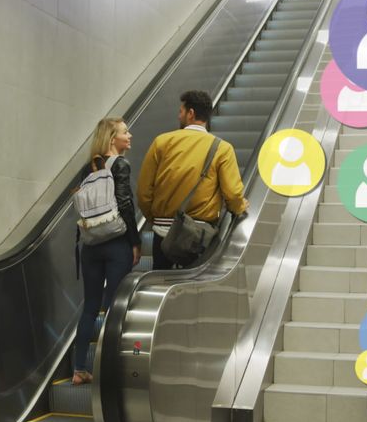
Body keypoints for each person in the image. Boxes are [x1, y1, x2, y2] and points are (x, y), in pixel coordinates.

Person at [138, 90, 248, 269]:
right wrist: (240, 207)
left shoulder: (162, 142)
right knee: (194, 281)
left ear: (191, 113)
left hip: (163, 233)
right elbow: (233, 193)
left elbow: (144, 192)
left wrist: (156, 218)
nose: (178, 115)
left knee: (160, 279)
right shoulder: (222, 148)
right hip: (198, 236)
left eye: (181, 111)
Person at [73, 118, 140, 385]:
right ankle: (108, 370)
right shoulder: (120, 164)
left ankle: (79, 369)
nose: (129, 135)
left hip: (90, 244)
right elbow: (125, 204)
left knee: (90, 307)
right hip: (115, 243)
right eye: (125, 132)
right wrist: (135, 241)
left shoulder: (87, 168)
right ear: (112, 138)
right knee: (114, 308)